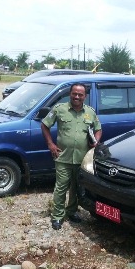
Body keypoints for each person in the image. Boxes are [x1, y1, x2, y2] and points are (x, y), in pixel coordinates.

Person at [41, 83, 102, 230]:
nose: (77, 97)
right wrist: (50, 144)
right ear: (70, 94)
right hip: (63, 157)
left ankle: (72, 211)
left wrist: (96, 142)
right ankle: (57, 216)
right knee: (61, 187)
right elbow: (44, 125)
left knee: (76, 187)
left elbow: (98, 129)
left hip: (82, 158)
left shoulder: (90, 112)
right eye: (74, 93)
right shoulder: (59, 109)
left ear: (85, 97)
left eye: (80, 94)